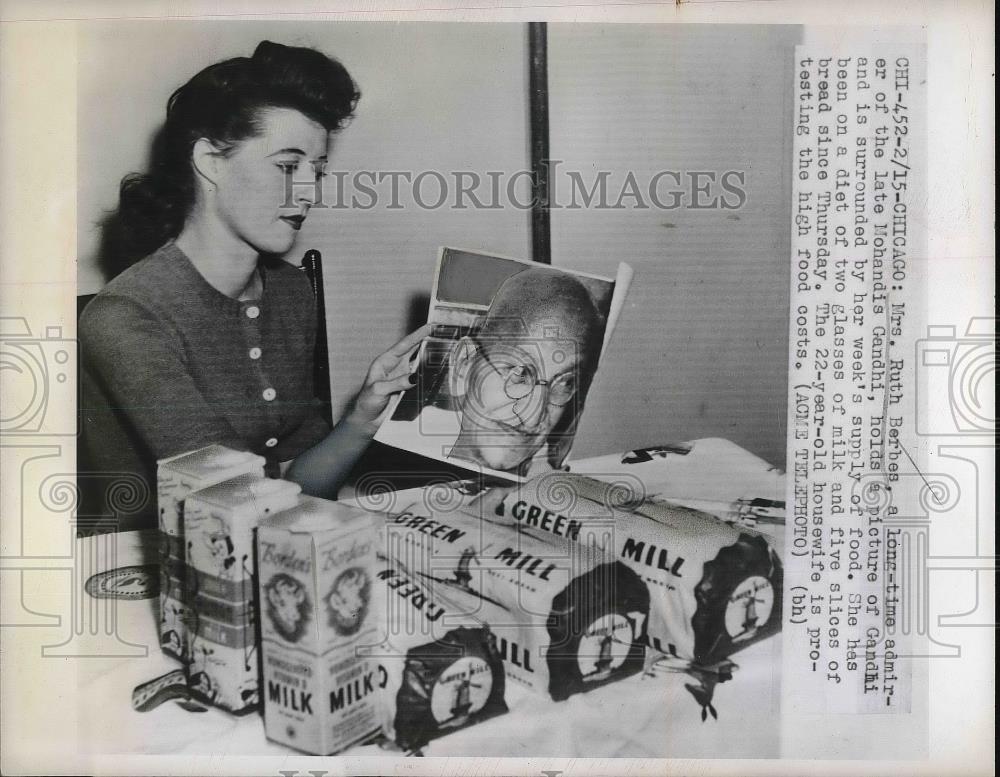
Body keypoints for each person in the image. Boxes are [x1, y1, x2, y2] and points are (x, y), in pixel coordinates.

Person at [78, 41, 429, 531]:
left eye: (318, 170)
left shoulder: (290, 293)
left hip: (258, 552)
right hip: (144, 575)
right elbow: (233, 500)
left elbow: (294, 485)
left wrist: (364, 418)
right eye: (288, 166)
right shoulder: (127, 317)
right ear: (211, 162)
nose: (310, 191)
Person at [391, 266, 605, 477]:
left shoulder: (553, 481)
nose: (532, 419)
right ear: (464, 364)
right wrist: (359, 425)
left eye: (565, 384)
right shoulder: (397, 447)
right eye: (519, 374)